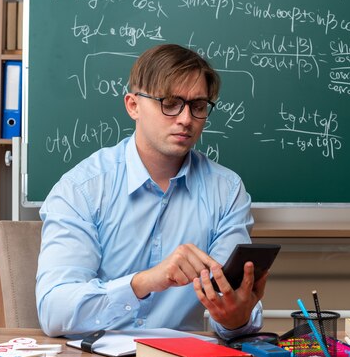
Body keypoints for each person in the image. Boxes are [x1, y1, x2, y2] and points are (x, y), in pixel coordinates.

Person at [36, 44, 267, 339]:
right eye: (170, 103)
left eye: (197, 106)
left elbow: (230, 307)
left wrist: (236, 317)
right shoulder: (82, 189)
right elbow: (54, 312)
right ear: (133, 106)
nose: (185, 119)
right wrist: (143, 283)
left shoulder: (226, 190)